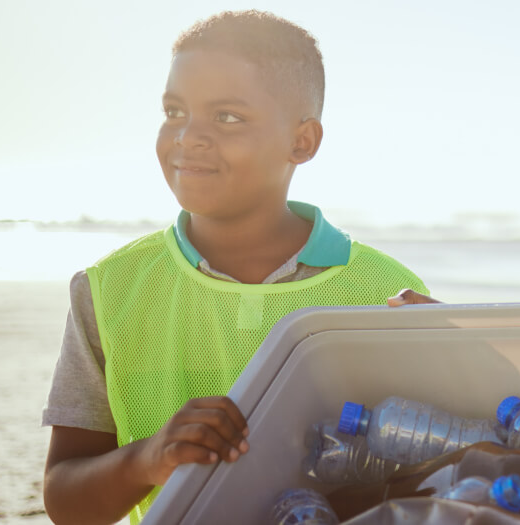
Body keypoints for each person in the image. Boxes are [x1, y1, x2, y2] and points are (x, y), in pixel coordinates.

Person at [40, 11, 428, 524]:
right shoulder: (109, 289)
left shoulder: (384, 294)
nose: (189, 137)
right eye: (175, 111)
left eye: (227, 117)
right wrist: (149, 458)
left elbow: (427, 479)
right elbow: (65, 502)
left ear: (302, 141)